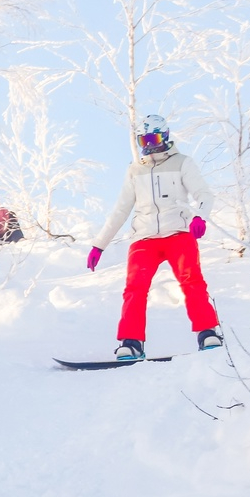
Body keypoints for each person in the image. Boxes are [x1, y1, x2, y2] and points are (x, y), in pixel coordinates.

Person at [87, 114, 223, 361]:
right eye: (144, 140)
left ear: (165, 137)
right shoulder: (135, 170)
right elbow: (120, 210)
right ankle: (131, 342)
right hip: (144, 238)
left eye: (154, 139)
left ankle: (208, 332)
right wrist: (99, 245)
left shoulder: (182, 163)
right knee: (135, 288)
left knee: (191, 281)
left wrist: (199, 217)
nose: (149, 145)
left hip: (178, 233)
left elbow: (204, 194)